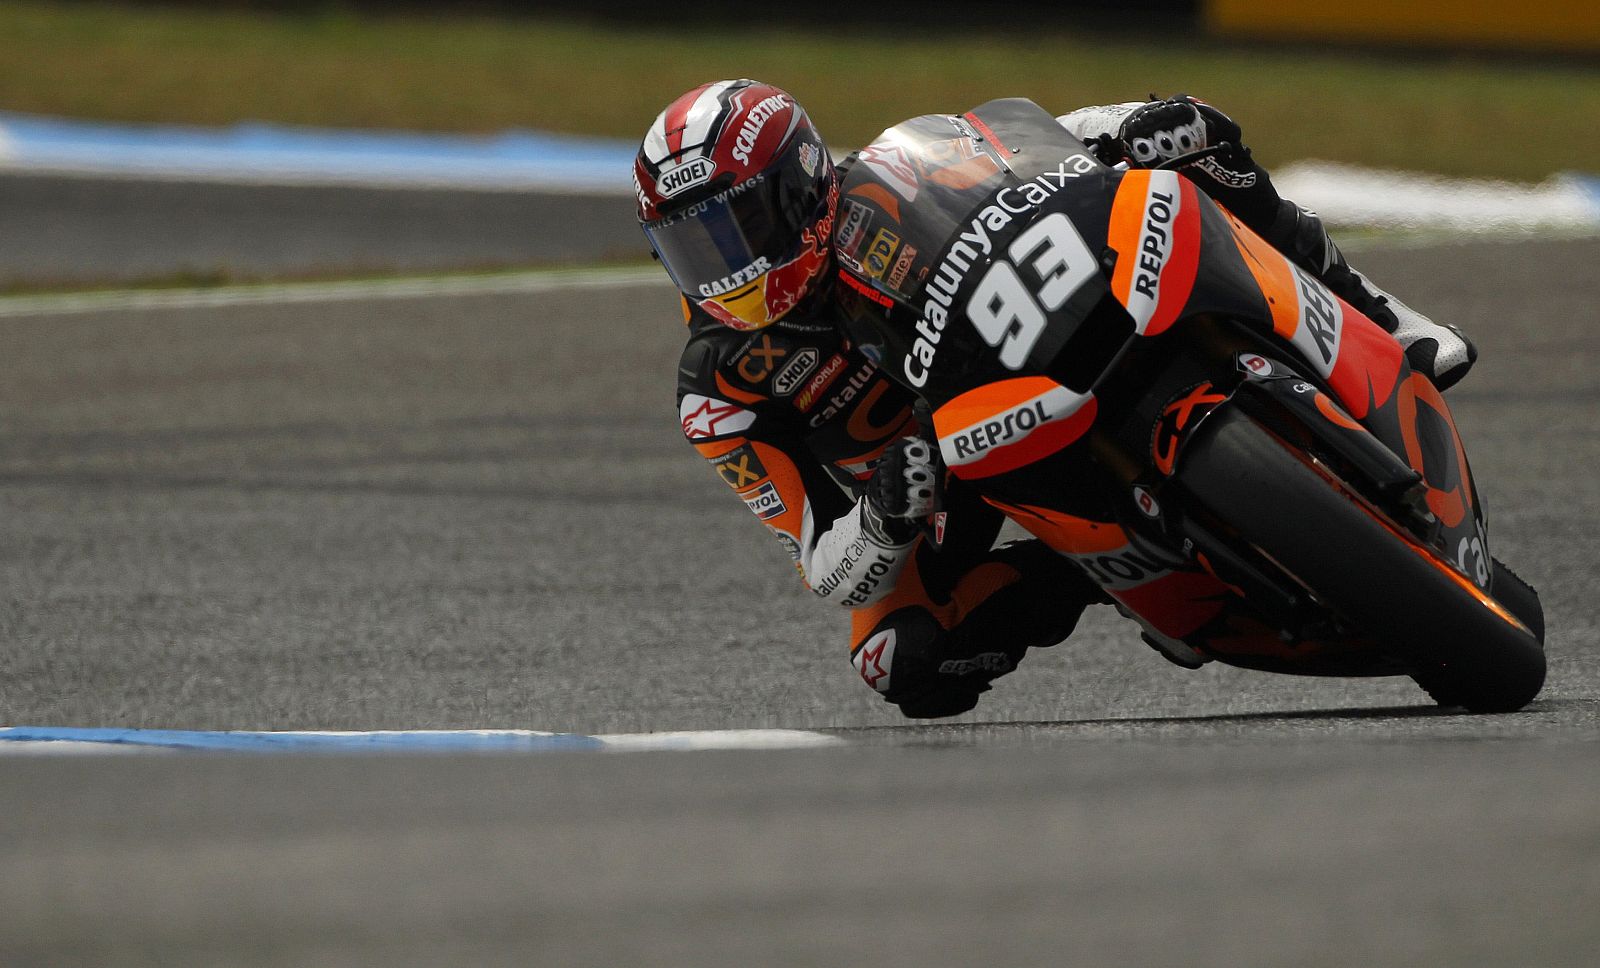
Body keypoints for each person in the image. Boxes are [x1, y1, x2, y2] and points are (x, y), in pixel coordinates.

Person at [634, 79, 1474, 718]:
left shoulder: (889, 182)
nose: (726, 266)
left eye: (737, 228)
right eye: (693, 245)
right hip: (934, 485)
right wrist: (885, 514)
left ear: (802, 182)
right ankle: (1099, 567)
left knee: (1191, 134)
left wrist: (1134, 126)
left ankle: (1376, 313)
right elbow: (826, 566)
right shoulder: (720, 389)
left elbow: (1037, 144)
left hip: (1021, 348)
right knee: (899, 661)